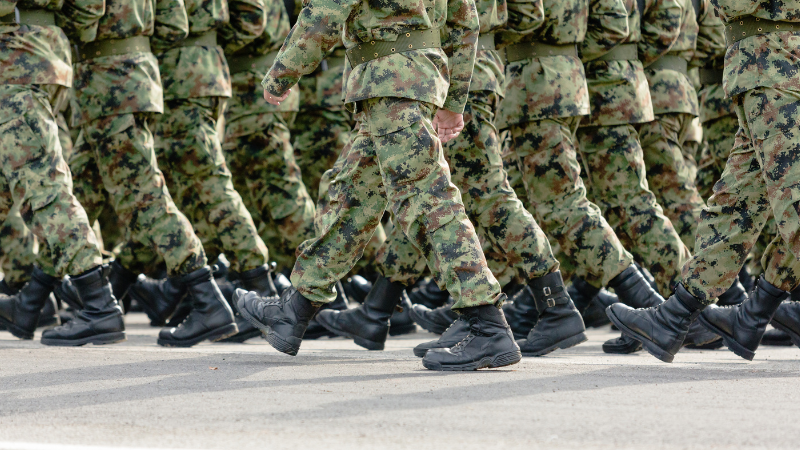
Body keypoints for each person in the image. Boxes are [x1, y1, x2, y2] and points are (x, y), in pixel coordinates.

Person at [235, 0, 524, 371]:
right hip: (409, 79)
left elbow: (327, 9)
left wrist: (283, 72)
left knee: (429, 200)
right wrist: (454, 99)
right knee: (353, 196)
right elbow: (465, 19)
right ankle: (296, 308)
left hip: (389, 80)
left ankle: (488, 324)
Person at [607, 0, 800, 363]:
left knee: (792, 204)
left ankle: (734, 312)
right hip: (768, 67)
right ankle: (680, 316)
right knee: (736, 203)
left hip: (775, 66)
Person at [67, 0, 238, 347]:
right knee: (82, 184)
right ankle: (41, 297)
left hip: (108, 80)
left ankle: (207, 300)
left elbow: (84, 14)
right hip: (132, 78)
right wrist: (136, 48)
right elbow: (174, 23)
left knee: (144, 197)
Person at [0, 0, 125, 346]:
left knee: (44, 189)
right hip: (42, 55)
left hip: (14, 61)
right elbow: (89, 9)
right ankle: (29, 308)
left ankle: (100, 305)